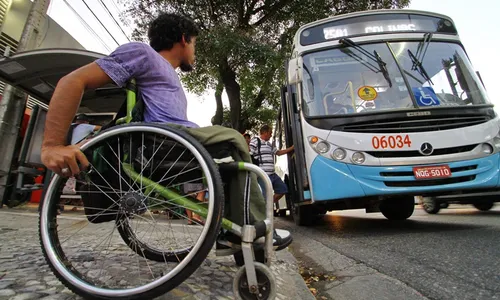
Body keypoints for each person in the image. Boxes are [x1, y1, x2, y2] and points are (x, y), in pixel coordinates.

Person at [40, 13, 291, 250]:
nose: (195, 52)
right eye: (194, 44)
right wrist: (52, 145)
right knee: (233, 138)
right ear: (183, 39)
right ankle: (252, 229)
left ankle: (235, 232)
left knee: (234, 158)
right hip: (163, 140)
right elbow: (72, 81)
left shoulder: (168, 75)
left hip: (176, 139)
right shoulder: (143, 53)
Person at [249, 125, 294, 203]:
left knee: (282, 189)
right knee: (266, 194)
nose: (270, 135)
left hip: (273, 174)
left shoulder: (269, 144)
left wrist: (292, 148)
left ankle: (268, 204)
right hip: (263, 174)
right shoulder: (255, 141)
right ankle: (265, 210)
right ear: (265, 133)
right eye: (270, 133)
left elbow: (278, 153)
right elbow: (249, 153)